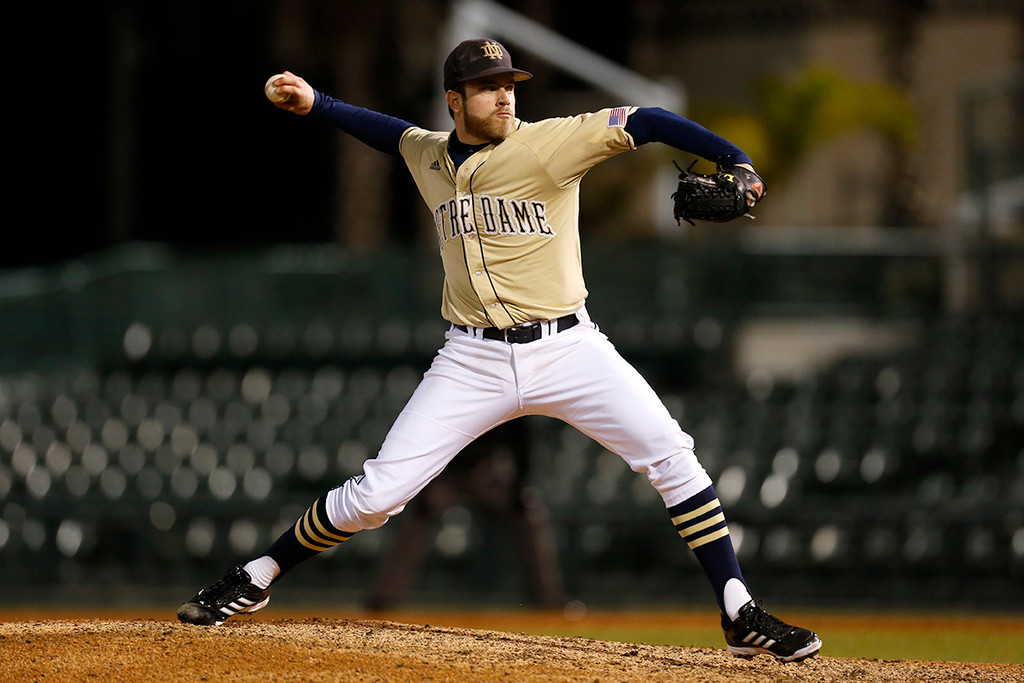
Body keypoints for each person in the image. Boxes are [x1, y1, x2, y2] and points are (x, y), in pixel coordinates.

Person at [177, 38, 822, 663]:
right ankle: (256, 575)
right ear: (454, 100)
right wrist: (318, 103)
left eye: (508, 85)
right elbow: (389, 133)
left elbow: (647, 120)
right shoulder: (429, 155)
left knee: (673, 456)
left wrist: (736, 160)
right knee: (378, 495)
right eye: (487, 88)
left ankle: (738, 611)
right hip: (471, 359)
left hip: (570, 348)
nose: (504, 97)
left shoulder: (550, 143)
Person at [365, 419, 566, 611]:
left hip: (487, 468)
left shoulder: (506, 388)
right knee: (418, 514)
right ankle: (384, 598)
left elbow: (520, 436)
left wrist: (517, 487)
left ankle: (549, 600)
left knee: (529, 514)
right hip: (443, 468)